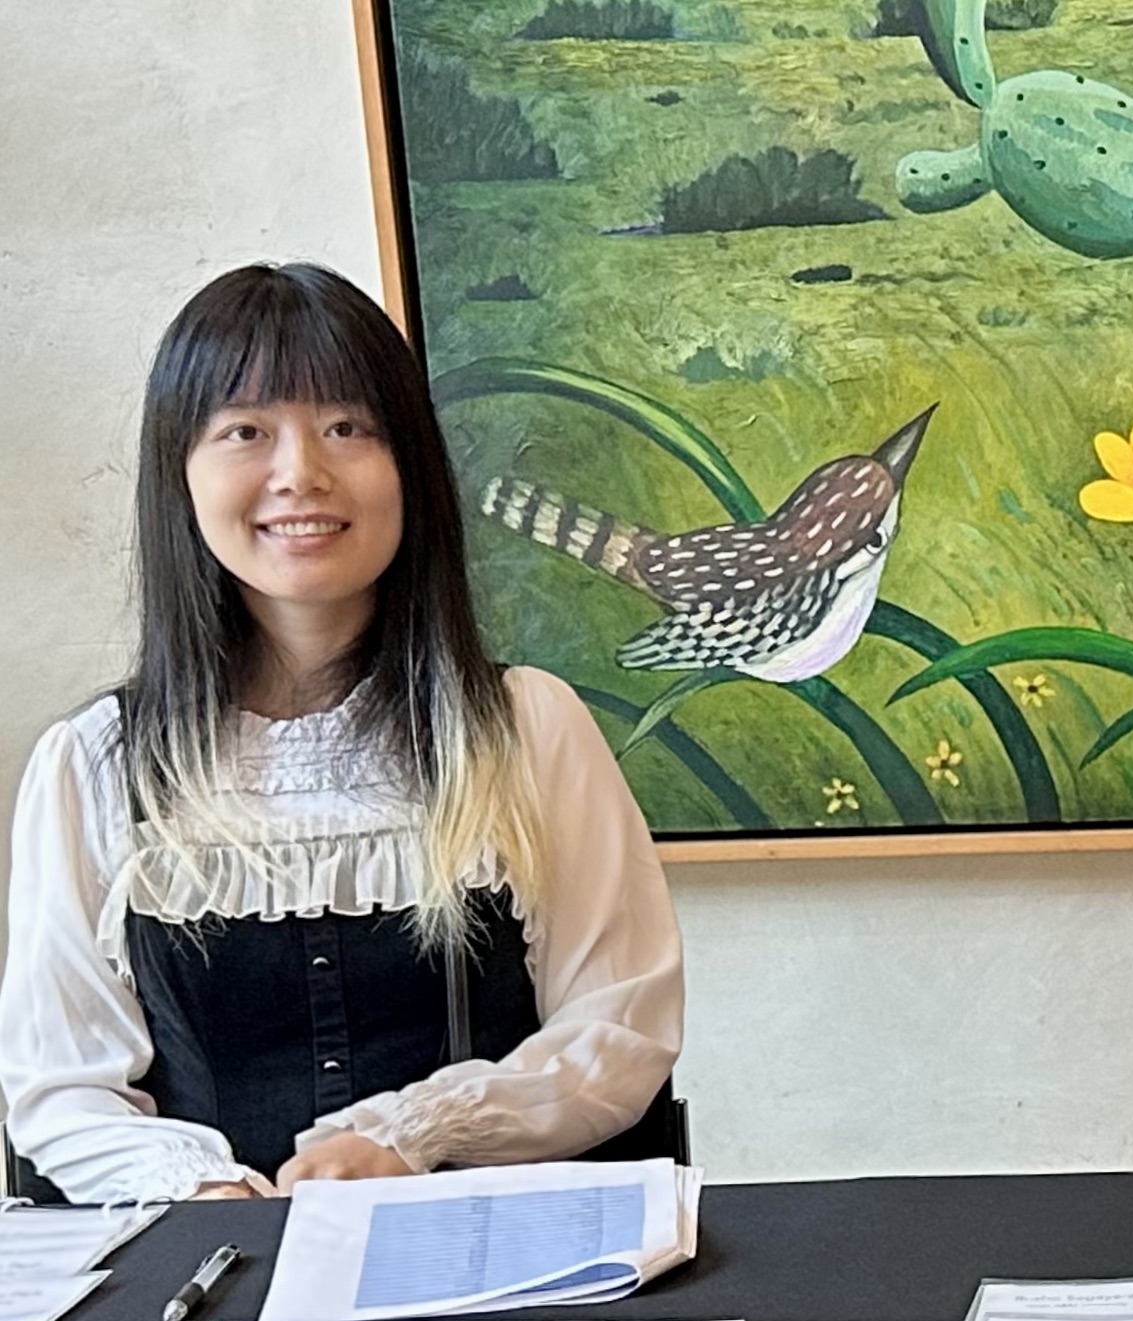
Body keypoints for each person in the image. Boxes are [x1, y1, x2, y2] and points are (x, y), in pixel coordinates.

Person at [1, 262, 684, 1205]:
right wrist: (197, 1187)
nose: (300, 474)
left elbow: (620, 1027)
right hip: (218, 1279)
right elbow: (59, 1087)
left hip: (501, 1261)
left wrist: (418, 1135)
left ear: (410, 466)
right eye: (245, 431)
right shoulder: (94, 764)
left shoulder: (527, 726)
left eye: (346, 427)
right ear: (180, 473)